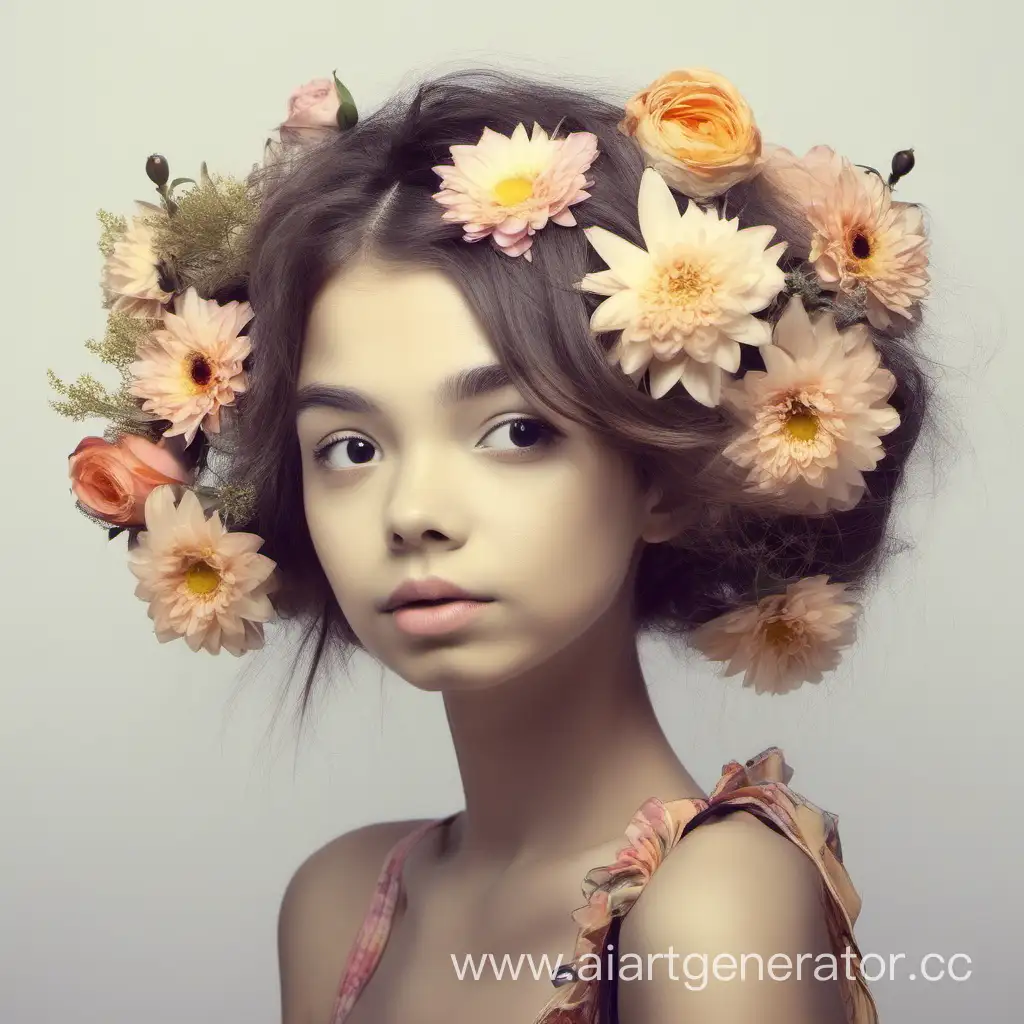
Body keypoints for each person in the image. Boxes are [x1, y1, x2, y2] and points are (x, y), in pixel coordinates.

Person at [56, 64, 933, 1023]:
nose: (411, 511)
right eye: (349, 448)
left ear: (662, 477)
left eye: (513, 431)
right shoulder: (342, 905)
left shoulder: (713, 909)